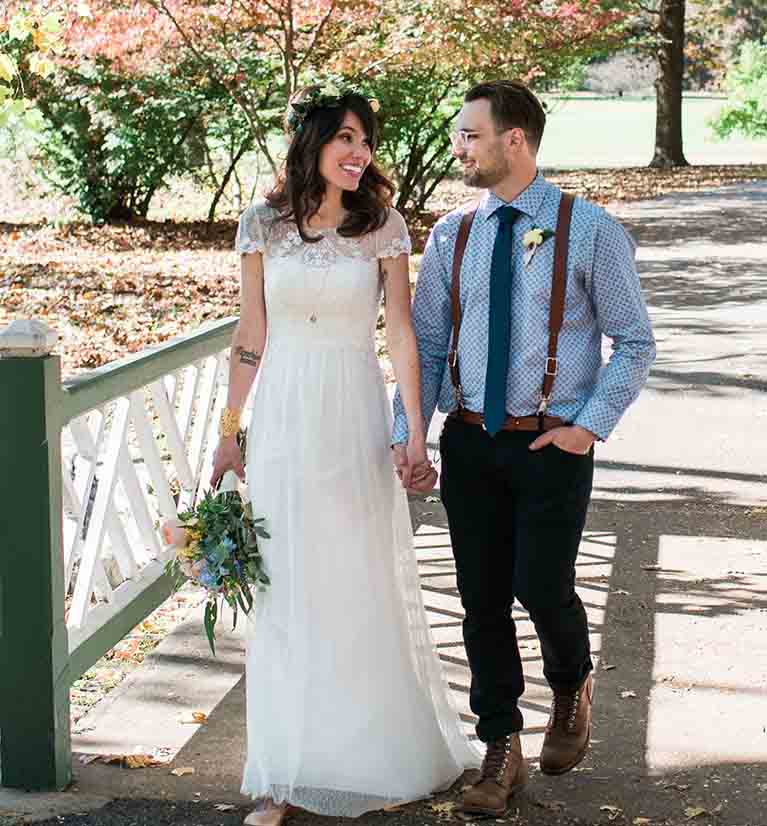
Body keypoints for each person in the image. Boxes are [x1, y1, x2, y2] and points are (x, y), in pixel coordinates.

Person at [210, 83, 479, 826]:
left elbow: (399, 332)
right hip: (288, 413)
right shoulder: (261, 225)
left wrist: (412, 428)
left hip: (355, 411)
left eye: (366, 141)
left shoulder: (384, 227)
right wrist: (230, 429)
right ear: (314, 144)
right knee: (288, 584)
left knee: (356, 575)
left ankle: (368, 752)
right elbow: (250, 333)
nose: (361, 153)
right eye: (347, 139)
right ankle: (282, 772)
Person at [392, 79, 656, 818]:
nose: (458, 148)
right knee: (479, 601)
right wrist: (407, 432)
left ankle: (571, 682)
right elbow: (428, 341)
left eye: (469, 135)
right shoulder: (452, 233)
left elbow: (633, 340)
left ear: (515, 140)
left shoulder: (590, 229)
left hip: (550, 444)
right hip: (471, 440)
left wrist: (588, 424)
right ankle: (499, 748)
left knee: (540, 585)